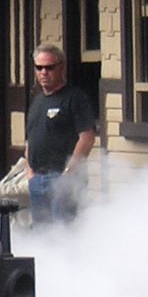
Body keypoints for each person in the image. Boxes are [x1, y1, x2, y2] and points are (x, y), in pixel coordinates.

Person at [23, 43, 97, 223]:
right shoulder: (37, 101)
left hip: (62, 179)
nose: (43, 73)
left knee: (64, 232)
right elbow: (31, 139)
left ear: (61, 67)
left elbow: (87, 137)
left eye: (49, 67)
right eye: (39, 68)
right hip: (37, 179)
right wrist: (30, 171)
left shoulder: (74, 98)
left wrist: (69, 171)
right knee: (42, 235)